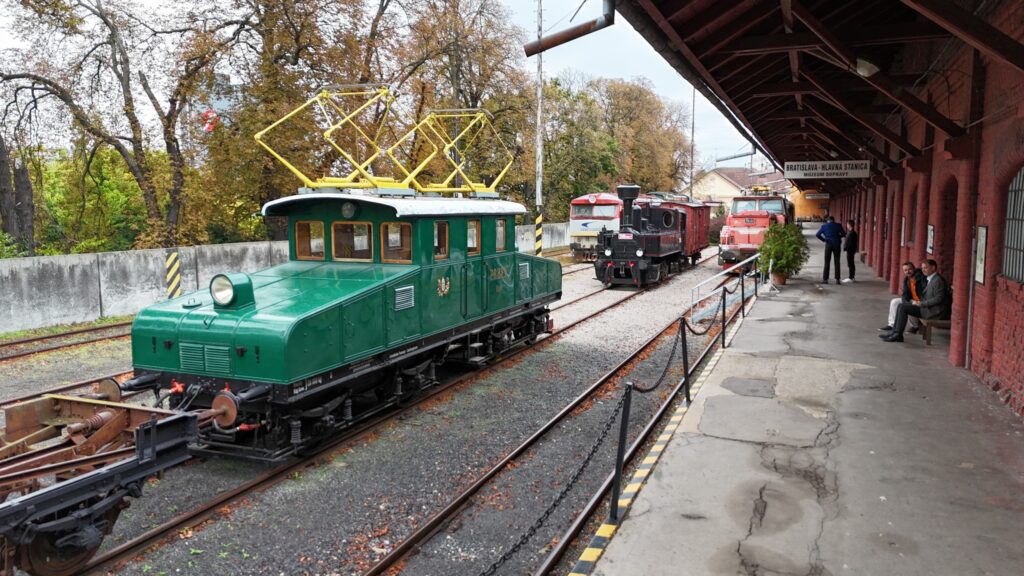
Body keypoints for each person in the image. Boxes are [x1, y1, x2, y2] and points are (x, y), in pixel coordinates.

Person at [881, 259, 951, 342]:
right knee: (901, 305)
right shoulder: (930, 279)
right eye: (922, 268)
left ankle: (897, 334)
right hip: (927, 308)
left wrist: (921, 303)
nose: (923, 270)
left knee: (903, 308)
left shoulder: (938, 280)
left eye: (926, 268)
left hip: (934, 311)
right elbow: (906, 294)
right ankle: (895, 332)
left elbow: (939, 299)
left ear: (933, 268)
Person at [880, 262, 927, 333]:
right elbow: (905, 295)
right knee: (895, 302)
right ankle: (891, 325)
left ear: (914, 269)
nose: (908, 272)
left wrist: (916, 302)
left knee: (907, 306)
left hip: (921, 302)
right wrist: (906, 301)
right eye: (905, 270)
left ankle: (915, 326)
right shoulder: (907, 279)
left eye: (910, 269)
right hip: (912, 300)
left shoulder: (921, 278)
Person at [815, 216, 845, 284]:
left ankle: (825, 279)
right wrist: (838, 237)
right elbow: (843, 234)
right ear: (833, 220)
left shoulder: (824, 226)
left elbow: (817, 235)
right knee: (837, 261)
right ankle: (837, 279)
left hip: (828, 244)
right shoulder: (838, 225)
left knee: (827, 262)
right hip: (837, 244)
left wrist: (824, 240)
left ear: (828, 220)